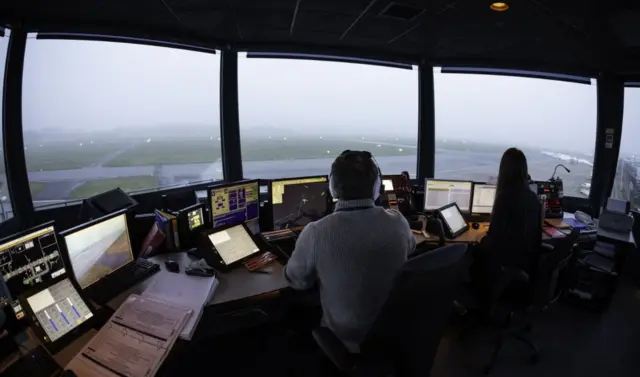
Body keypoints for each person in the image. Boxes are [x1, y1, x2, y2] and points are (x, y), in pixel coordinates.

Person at [284, 150, 416, 352]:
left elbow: (297, 281)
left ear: (332, 187)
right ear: (376, 187)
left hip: (346, 338)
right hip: (394, 331)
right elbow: (411, 248)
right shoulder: (398, 221)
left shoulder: (316, 232)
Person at [472, 148, 543, 296]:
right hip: (525, 266)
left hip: (503, 266)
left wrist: (480, 238)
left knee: (472, 254)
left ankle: (480, 299)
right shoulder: (534, 199)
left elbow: (494, 242)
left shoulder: (505, 198)